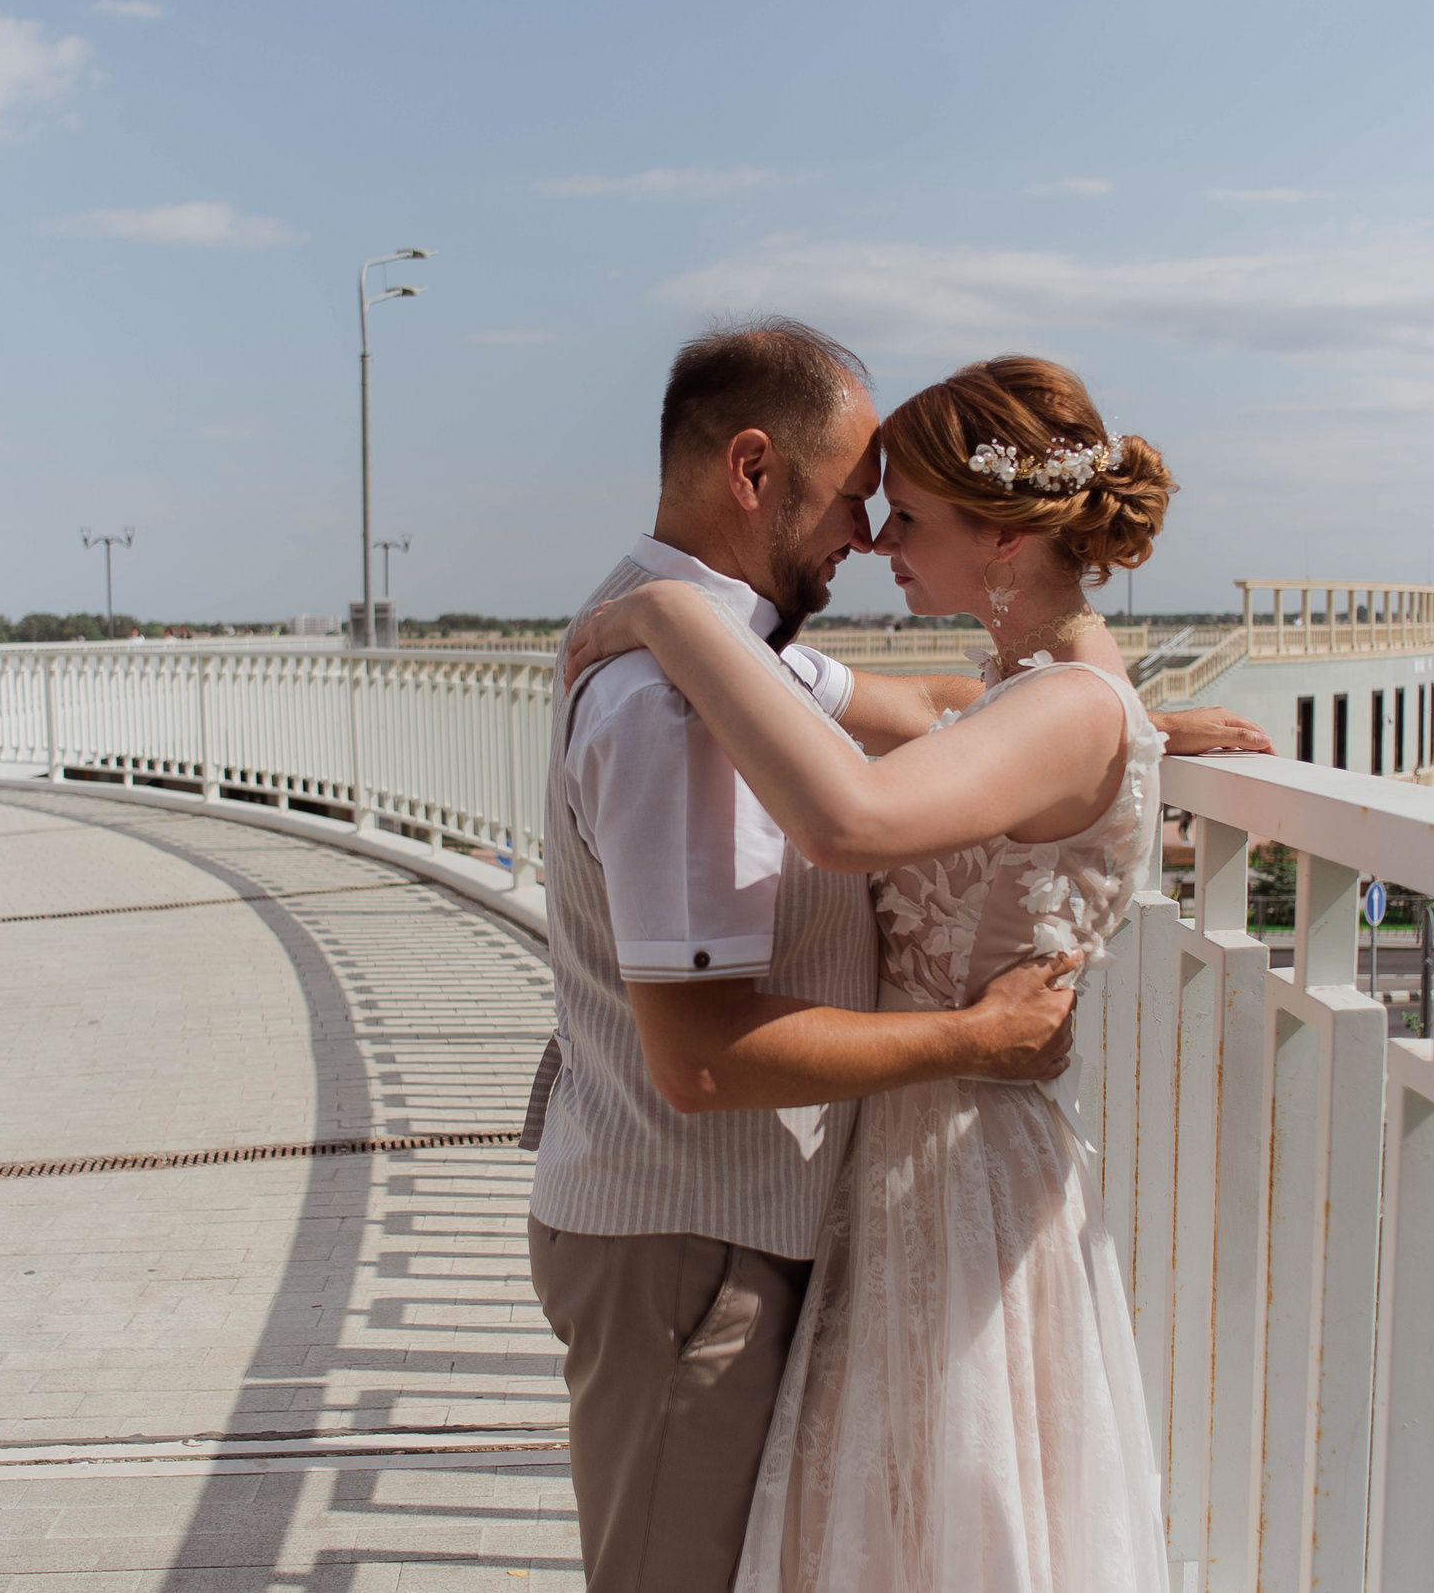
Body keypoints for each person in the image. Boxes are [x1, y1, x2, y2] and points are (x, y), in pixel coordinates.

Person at [523, 324, 1266, 1593]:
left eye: (902, 510)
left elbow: (880, 793)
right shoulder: (680, 692)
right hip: (712, 1212)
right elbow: (703, 1053)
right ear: (753, 471)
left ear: (1005, 538)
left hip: (930, 1187)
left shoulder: (714, 653)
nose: (873, 537)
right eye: (860, 498)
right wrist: (1098, 726)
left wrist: (1112, 729)